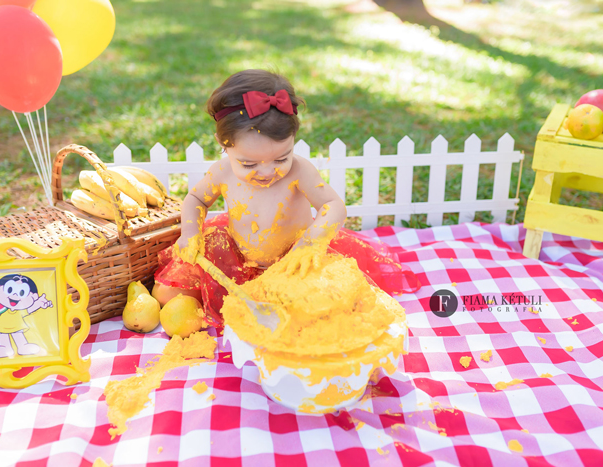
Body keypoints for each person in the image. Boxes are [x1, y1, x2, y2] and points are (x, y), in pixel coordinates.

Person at [153, 69, 420, 327]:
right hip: (235, 256)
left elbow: (333, 205)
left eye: (282, 157)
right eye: (248, 164)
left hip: (295, 258)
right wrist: (190, 232)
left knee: (329, 306)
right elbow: (197, 200)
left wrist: (312, 242)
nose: (268, 171)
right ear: (223, 144)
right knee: (165, 295)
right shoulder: (222, 171)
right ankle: (226, 301)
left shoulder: (299, 171)